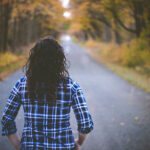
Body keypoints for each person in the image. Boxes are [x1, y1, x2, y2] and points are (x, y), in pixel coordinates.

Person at [1, 36, 94, 150]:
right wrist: (79, 143)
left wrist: (18, 145)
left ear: (34, 59)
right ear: (59, 60)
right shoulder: (71, 87)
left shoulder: (21, 85)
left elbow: (6, 119)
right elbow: (85, 124)